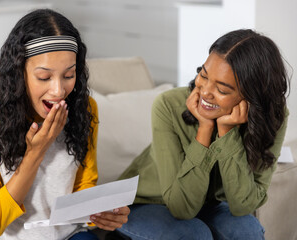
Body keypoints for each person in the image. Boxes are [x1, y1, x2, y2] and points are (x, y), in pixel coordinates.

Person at [0, 9, 129, 240]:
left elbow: (84, 186)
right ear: (19, 74)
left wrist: (100, 212)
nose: (59, 91)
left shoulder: (85, 108)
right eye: (44, 77)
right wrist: (36, 152)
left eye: (69, 75)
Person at [117, 29, 289, 240]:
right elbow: (182, 208)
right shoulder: (168, 105)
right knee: (193, 234)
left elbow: (243, 205)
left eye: (223, 90)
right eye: (204, 75)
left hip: (210, 204)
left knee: (247, 230)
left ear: (252, 97)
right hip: (147, 202)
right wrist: (205, 128)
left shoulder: (273, 116)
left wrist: (227, 133)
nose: (205, 92)